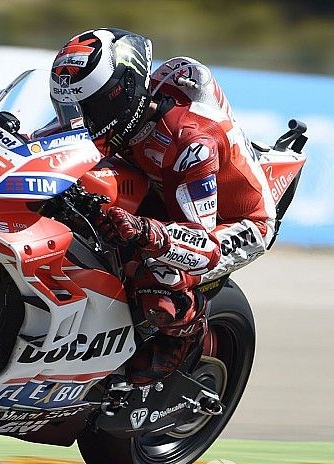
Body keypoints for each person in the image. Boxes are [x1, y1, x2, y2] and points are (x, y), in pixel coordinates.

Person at [50, 28, 276, 385]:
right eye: (68, 107)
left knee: (160, 273)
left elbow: (202, 247)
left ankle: (182, 340)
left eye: (88, 106)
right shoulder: (122, 115)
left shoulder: (190, 145)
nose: (79, 117)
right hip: (161, 187)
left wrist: (145, 231)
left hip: (232, 222)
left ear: (120, 94)